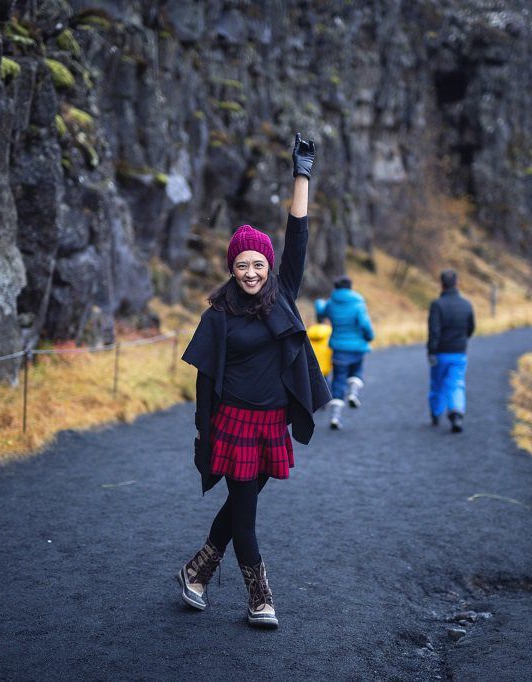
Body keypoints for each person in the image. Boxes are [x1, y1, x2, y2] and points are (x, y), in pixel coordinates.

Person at [178, 134, 331, 629]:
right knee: (245, 513)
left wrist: (302, 173)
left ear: (269, 267)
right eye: (241, 264)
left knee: (242, 500)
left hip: (271, 424)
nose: (250, 271)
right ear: (232, 267)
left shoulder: (282, 295)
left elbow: (298, 234)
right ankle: (259, 596)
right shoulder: (219, 314)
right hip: (234, 422)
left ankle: (198, 568)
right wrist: (205, 432)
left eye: (258, 264)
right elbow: (204, 381)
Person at [315, 276, 375, 429]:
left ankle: (335, 417)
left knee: (339, 379)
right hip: (357, 348)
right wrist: (369, 336)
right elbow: (364, 323)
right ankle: (353, 393)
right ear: (350, 287)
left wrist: (318, 303)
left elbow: (321, 314)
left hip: (339, 349)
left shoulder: (331, 303)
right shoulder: (358, 303)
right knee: (357, 372)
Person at [427, 268, 475, 432]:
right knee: (456, 383)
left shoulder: (437, 305)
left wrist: (431, 351)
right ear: (457, 283)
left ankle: (436, 412)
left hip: (441, 352)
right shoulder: (466, 305)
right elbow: (471, 328)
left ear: (442, 285)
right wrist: (462, 341)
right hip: (459, 352)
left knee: (437, 384)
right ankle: (456, 412)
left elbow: (434, 331)